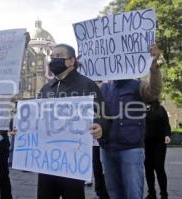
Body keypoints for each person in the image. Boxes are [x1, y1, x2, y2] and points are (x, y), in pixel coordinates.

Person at [37, 44, 110, 199]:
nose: (52, 60)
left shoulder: (87, 84)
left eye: (57, 56)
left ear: (71, 61)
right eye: (52, 56)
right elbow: (37, 118)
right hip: (47, 159)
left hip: (73, 160)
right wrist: (24, 129)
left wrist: (100, 126)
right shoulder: (46, 88)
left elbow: (104, 114)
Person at [100, 44, 162, 199]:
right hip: (107, 148)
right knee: (114, 193)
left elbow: (154, 92)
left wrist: (154, 67)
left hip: (131, 149)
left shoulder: (138, 85)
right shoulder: (104, 88)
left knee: (133, 193)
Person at [145, 100, 171, 199]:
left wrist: (167, 135)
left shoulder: (160, 109)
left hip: (159, 143)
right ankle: (151, 193)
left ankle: (164, 194)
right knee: (148, 169)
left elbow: (166, 124)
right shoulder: (140, 107)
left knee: (159, 168)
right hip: (145, 143)